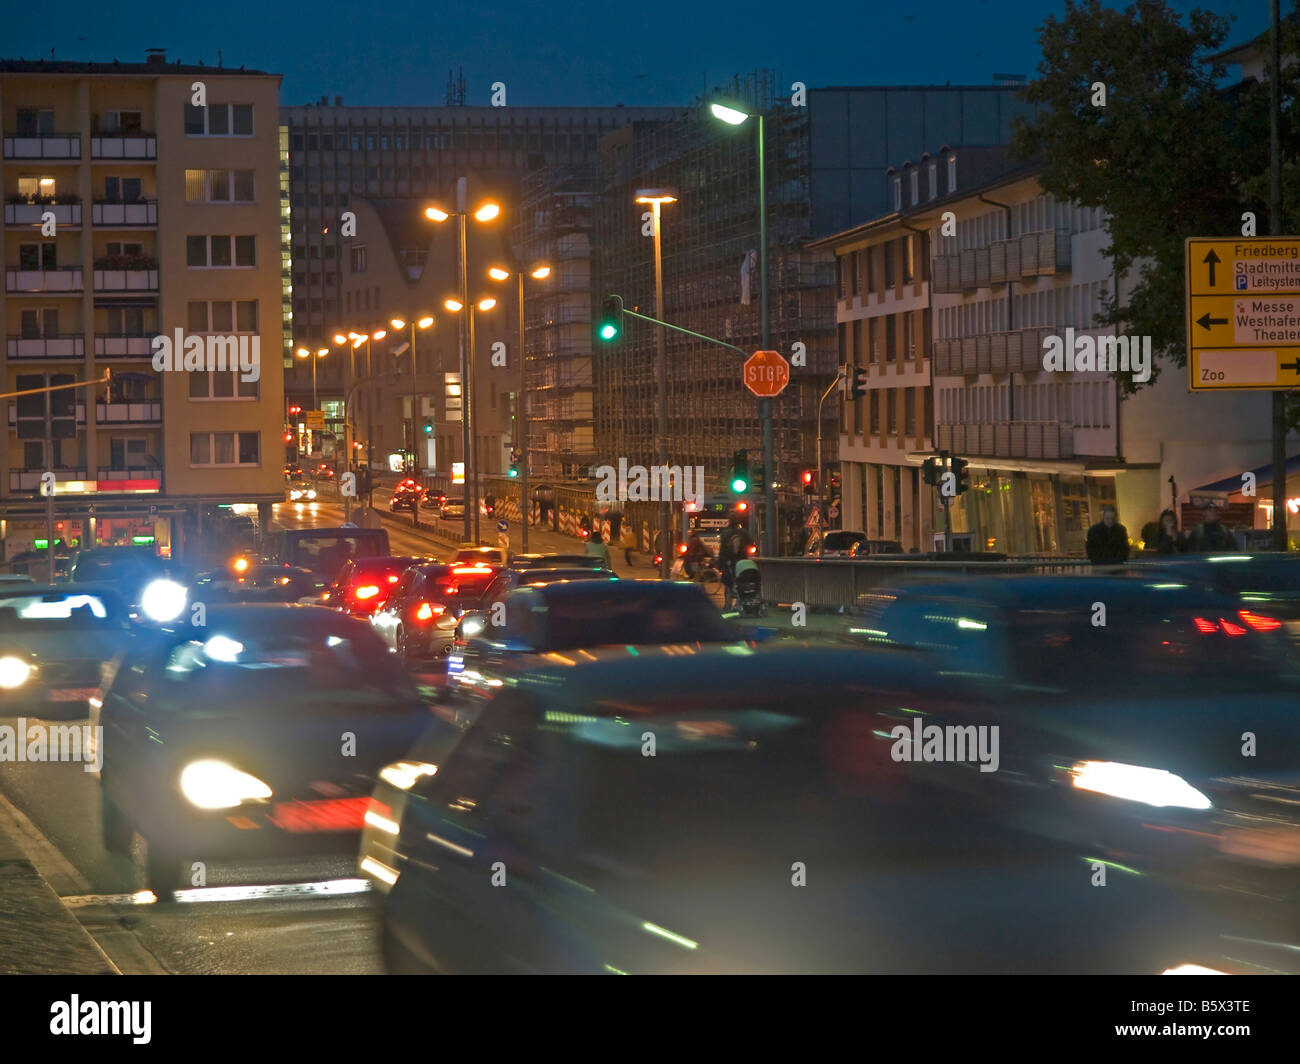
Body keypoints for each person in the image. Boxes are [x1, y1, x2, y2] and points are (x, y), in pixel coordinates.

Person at [718, 516, 753, 610]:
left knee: (728, 584)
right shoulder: (743, 533)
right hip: (741, 562)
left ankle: (727, 604)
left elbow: (722, 550)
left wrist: (720, 563)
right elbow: (751, 542)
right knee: (740, 582)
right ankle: (740, 603)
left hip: (728, 561)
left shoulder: (725, 533)